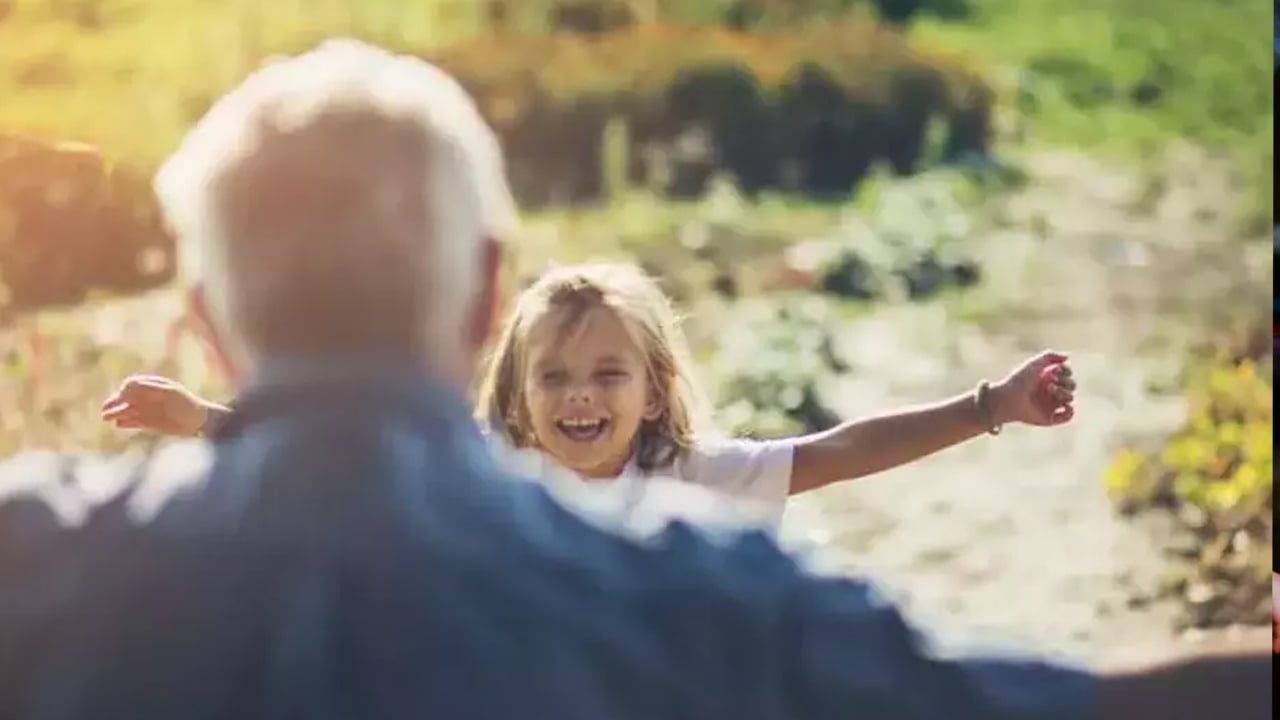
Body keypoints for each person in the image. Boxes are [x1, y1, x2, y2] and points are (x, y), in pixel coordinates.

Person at [1, 39, 1270, 720]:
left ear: (208, 321)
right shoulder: (697, 591)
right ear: (489, 301)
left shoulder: (33, 565)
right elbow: (1048, 706)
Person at [103, 260, 1077, 528]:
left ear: (652, 393)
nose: (580, 397)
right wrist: (199, 419)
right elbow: (342, 466)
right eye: (554, 376)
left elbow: (839, 451)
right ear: (517, 397)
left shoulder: (695, 474)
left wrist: (987, 405)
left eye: (608, 375)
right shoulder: (485, 475)